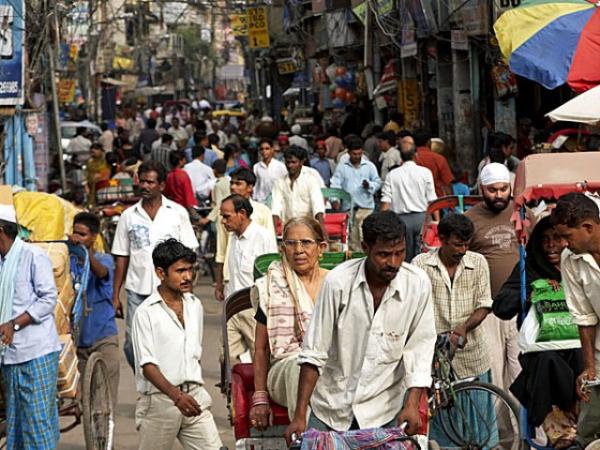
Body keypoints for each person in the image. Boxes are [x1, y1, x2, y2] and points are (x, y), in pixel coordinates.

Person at [284, 211, 436, 441]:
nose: (393, 263)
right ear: (365, 248)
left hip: (383, 408)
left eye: (399, 253)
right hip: (332, 407)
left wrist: (413, 403)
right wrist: (299, 415)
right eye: (384, 255)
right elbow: (314, 352)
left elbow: (420, 349)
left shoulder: (417, 284)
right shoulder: (338, 283)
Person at [494, 216, 583, 436]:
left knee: (585, 363)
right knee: (546, 362)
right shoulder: (530, 268)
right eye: (545, 240)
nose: (551, 245)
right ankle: (564, 419)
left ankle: (579, 415)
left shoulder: (579, 265)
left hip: (579, 345)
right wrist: (530, 294)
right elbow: (501, 306)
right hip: (542, 347)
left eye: (557, 238)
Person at [412, 214, 495, 445]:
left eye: (467, 244)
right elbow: (413, 306)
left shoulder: (477, 262)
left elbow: (484, 304)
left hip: (471, 354)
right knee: (440, 416)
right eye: (458, 244)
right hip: (434, 356)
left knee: (476, 418)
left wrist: (464, 328)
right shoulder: (420, 265)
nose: (463, 250)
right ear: (442, 239)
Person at [132, 239, 223, 450]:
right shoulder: (146, 313)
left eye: (190, 270)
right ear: (161, 273)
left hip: (195, 397)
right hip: (160, 402)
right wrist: (176, 396)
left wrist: (187, 395)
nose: (187, 277)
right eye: (180, 271)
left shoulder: (194, 305)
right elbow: (147, 367)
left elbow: (193, 352)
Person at [112, 160, 198, 369]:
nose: (145, 186)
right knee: (132, 345)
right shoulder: (128, 216)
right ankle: (149, 382)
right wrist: (115, 295)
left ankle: (168, 383)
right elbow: (122, 255)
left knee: (172, 341)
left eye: (150, 182)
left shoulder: (177, 213)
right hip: (137, 289)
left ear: (161, 185)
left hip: (171, 290)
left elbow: (189, 254)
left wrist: (187, 286)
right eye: (142, 182)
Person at [250, 218, 329, 425]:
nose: (298, 250)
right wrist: (260, 397)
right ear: (283, 248)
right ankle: (305, 436)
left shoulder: (336, 284)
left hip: (329, 366)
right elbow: (261, 349)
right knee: (301, 367)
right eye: (291, 243)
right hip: (285, 368)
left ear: (321, 248)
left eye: (306, 242)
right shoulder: (272, 285)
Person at [0, 204, 62, 449]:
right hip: (9, 355)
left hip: (36, 351)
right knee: (15, 422)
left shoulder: (32, 256)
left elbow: (48, 298)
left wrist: (14, 324)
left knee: (37, 422)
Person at [464, 163, 521, 392]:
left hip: (520, 307)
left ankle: (524, 429)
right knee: (494, 376)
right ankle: (498, 429)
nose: (499, 195)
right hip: (487, 310)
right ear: (481, 188)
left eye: (503, 189)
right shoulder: (469, 219)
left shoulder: (522, 213)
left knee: (521, 374)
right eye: (492, 190)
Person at [551, 193, 600, 448]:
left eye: (567, 236)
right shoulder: (570, 260)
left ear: (588, 228)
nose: (562, 244)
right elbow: (584, 316)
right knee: (590, 423)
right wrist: (589, 368)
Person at [70, 212, 120, 409]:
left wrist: (84, 251)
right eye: (75, 233)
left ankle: (104, 433)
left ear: (94, 236)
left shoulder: (104, 259)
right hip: (79, 340)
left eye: (82, 234)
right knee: (82, 399)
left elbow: (102, 272)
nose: (77, 237)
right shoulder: (68, 260)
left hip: (103, 337)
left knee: (105, 398)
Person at [221, 195, 278, 363]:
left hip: (254, 309)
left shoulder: (263, 236)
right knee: (227, 359)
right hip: (231, 307)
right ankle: (232, 389)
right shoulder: (232, 237)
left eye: (227, 216)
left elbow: (272, 273)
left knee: (260, 359)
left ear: (242, 213)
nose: (223, 221)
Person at [214, 168, 276, 303]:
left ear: (250, 187)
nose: (233, 187)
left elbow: (270, 258)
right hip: (231, 278)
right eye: (232, 183)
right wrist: (219, 283)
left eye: (238, 184)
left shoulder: (263, 212)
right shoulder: (226, 213)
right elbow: (221, 250)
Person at [380, 140, 437, 262]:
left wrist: (382, 223)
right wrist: (437, 221)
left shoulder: (392, 175)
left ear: (400, 157)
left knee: (404, 256)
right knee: (423, 256)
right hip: (423, 219)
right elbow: (432, 200)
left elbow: (385, 202)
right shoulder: (425, 173)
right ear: (416, 155)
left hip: (401, 221)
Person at [330, 135, 381, 252]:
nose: (357, 156)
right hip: (349, 209)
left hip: (366, 208)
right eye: (354, 154)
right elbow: (335, 184)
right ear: (348, 153)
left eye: (359, 154)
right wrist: (334, 200)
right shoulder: (342, 167)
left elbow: (378, 182)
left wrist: (369, 185)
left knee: (366, 238)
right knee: (352, 240)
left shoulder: (369, 166)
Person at [271, 146, 326, 233]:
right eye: (288, 162)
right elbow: (275, 206)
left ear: (302, 162)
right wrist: (273, 231)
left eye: (293, 162)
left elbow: (317, 204)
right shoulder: (279, 182)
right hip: (288, 228)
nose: (290, 165)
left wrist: (322, 229)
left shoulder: (311, 180)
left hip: (308, 227)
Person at [413, 129, 453, 197]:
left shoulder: (409, 159)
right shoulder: (439, 159)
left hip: (414, 199)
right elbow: (447, 183)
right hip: (436, 201)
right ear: (429, 142)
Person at [253, 138, 287, 203]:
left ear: (272, 149)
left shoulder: (280, 166)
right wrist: (254, 198)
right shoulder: (256, 167)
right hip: (260, 200)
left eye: (267, 149)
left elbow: (285, 183)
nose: (264, 151)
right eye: (262, 149)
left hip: (276, 201)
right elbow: (256, 184)